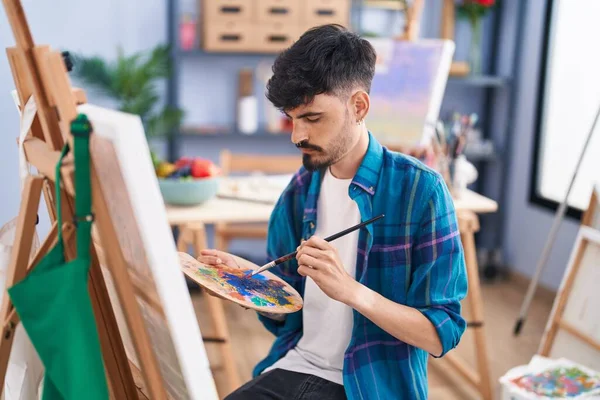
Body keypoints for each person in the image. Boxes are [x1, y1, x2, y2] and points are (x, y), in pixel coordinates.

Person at [198, 24, 468, 400]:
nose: (297, 136)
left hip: (373, 387)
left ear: (358, 106)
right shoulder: (299, 191)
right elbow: (289, 319)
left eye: (312, 118)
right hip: (294, 365)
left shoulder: (420, 192)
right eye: (292, 118)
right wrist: (251, 288)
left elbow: (443, 333)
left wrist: (352, 292)